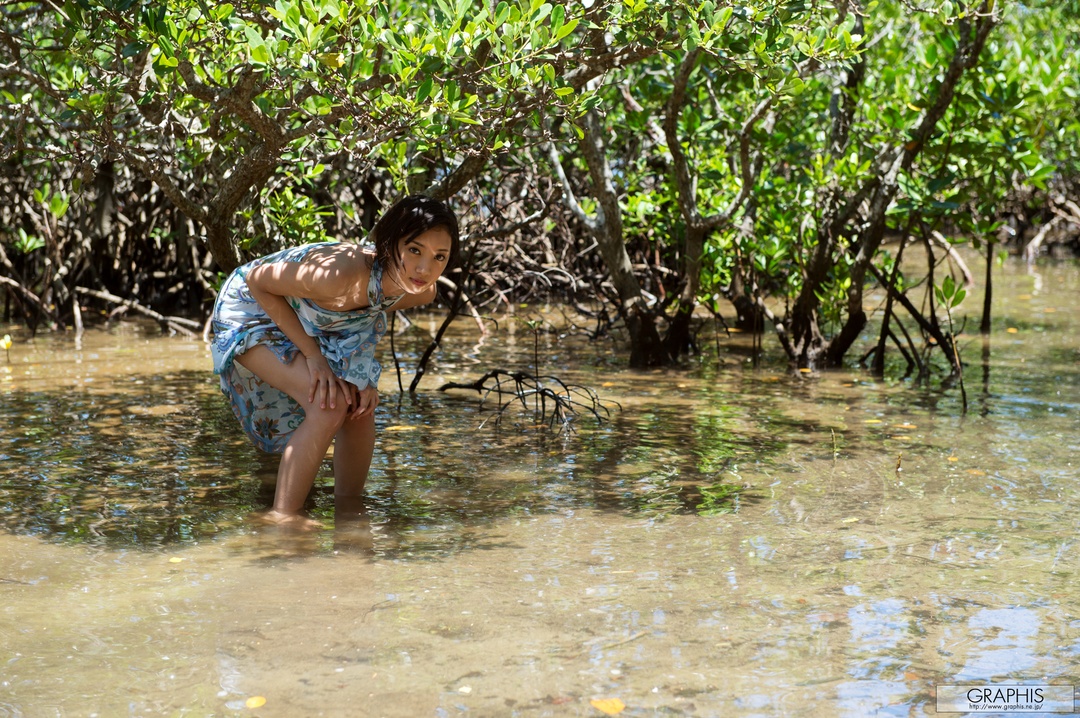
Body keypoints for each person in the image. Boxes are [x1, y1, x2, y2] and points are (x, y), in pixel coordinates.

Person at [210, 194, 460, 524]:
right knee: (326, 405)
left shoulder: (420, 290)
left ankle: (351, 513)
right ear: (389, 243)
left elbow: (365, 318)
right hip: (251, 308)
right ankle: (283, 517)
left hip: (314, 321)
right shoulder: (336, 275)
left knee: (359, 407)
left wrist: (364, 379)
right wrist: (313, 356)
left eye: (439, 257)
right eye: (415, 250)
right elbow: (257, 282)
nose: (425, 269)